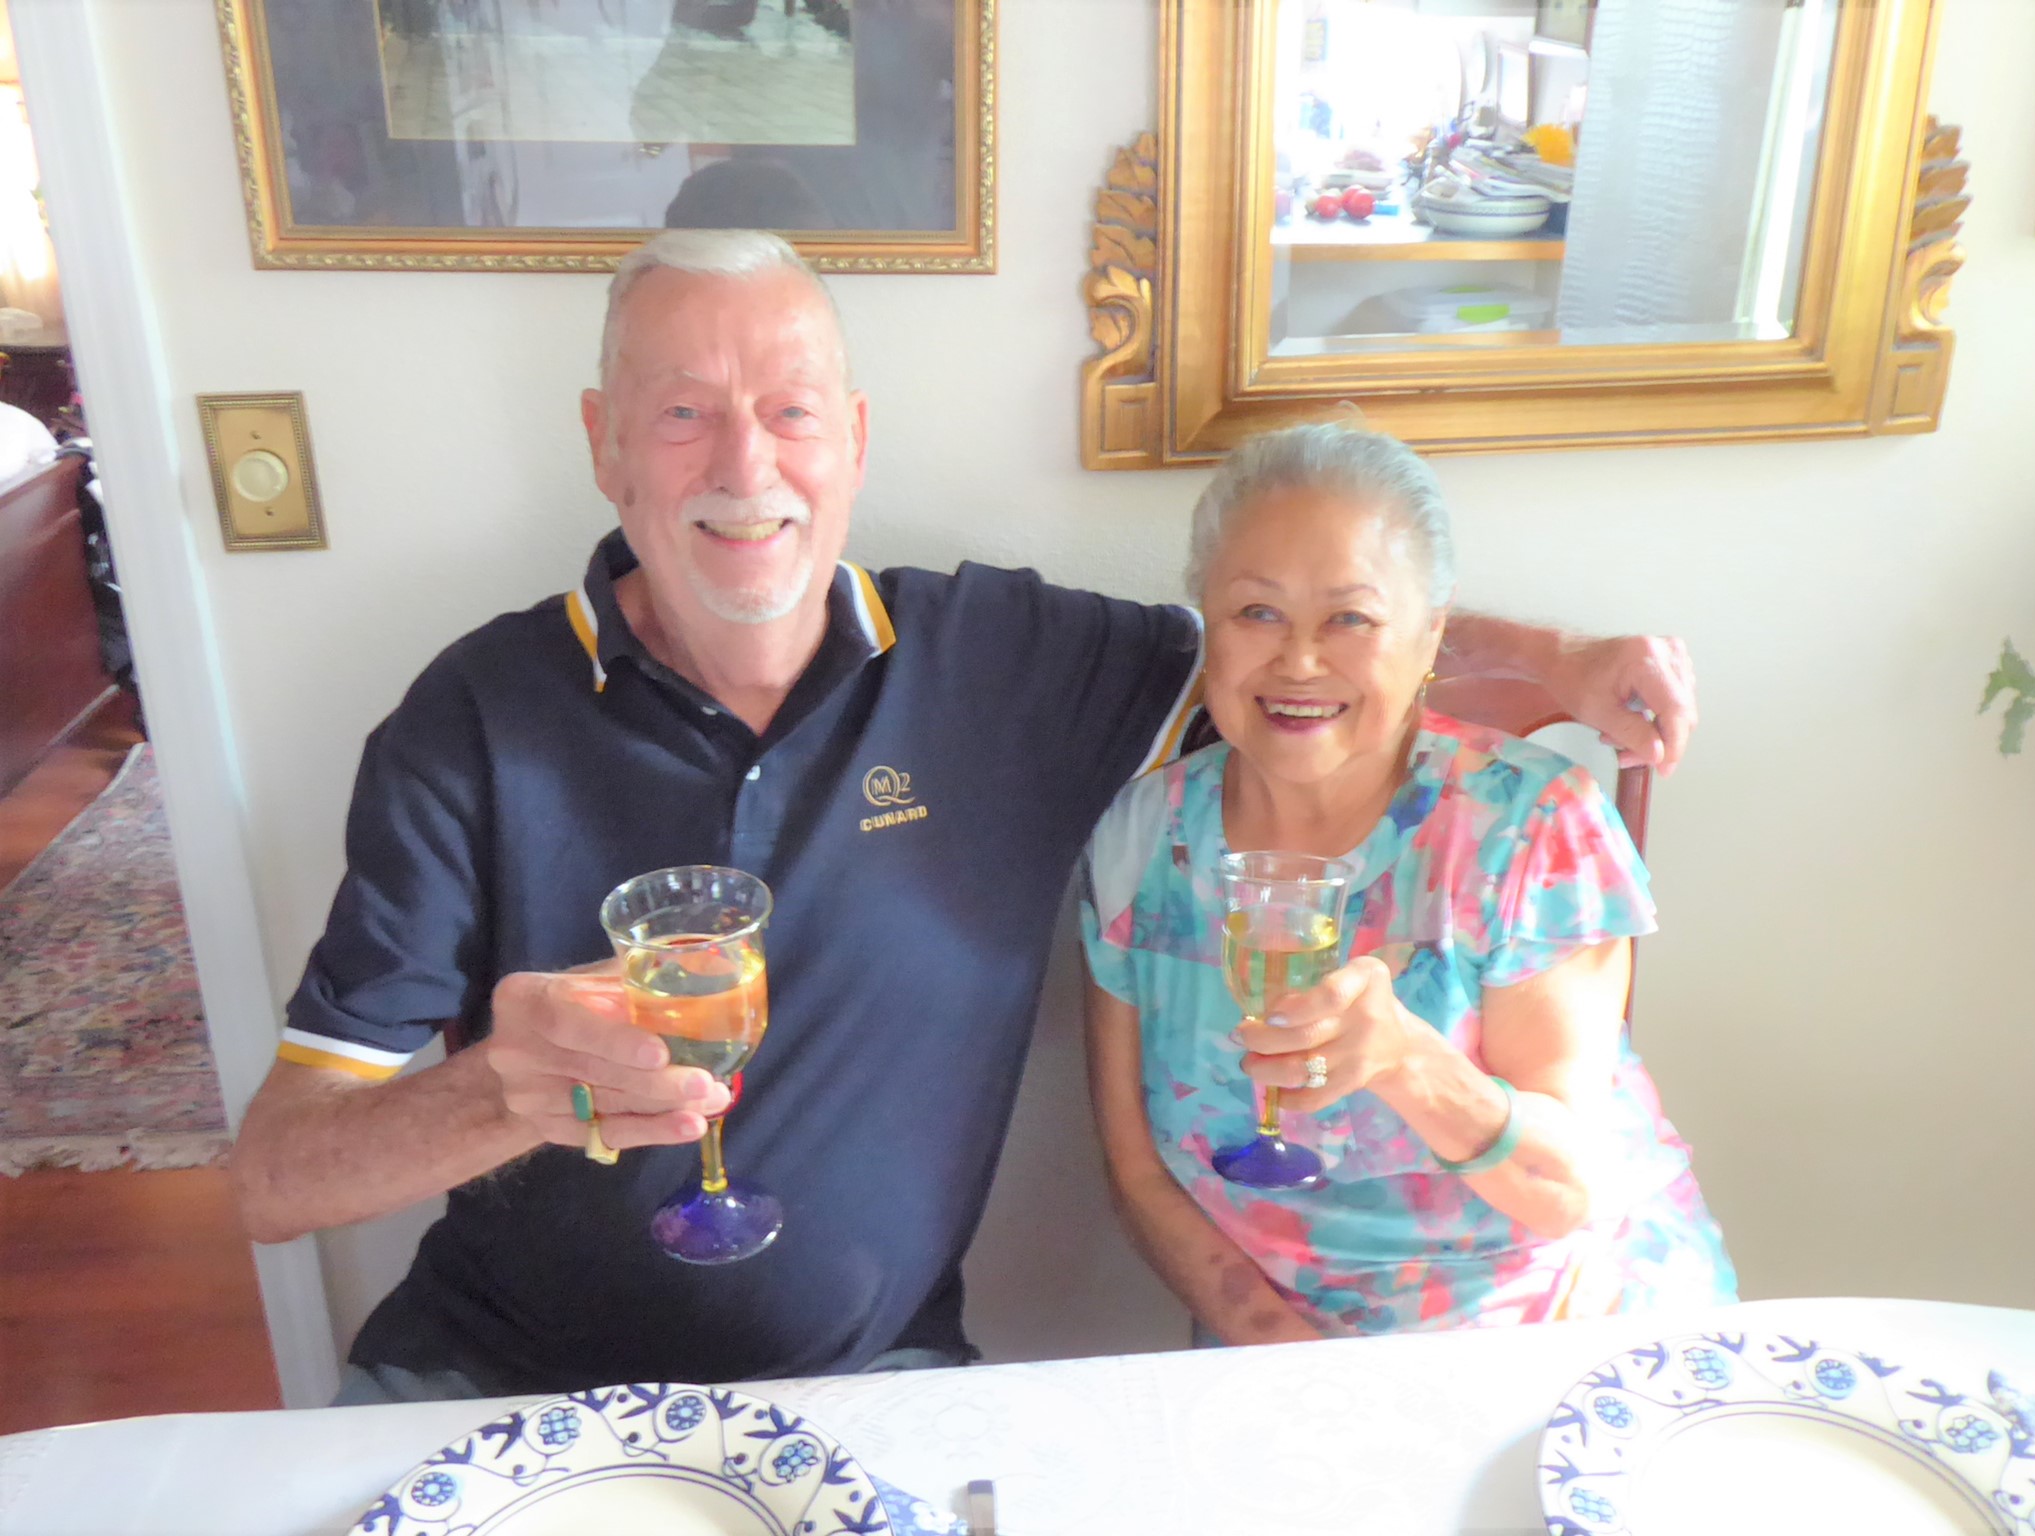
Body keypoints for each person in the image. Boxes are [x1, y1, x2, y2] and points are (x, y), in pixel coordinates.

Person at [228, 230, 1704, 1403]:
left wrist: (1563, 662)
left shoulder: (998, 665)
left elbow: (1293, 649)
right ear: (604, 442)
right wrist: (496, 1094)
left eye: (789, 412)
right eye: (682, 416)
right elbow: (274, 1180)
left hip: (871, 1390)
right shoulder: (472, 717)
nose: (745, 466)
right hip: (493, 1380)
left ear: (854, 440)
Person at [1080, 425, 1737, 1345]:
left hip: (1545, 1327)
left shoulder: (1528, 827)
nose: (1299, 661)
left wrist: (1408, 1064)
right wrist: (1287, 1361)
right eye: (1256, 613)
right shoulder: (1144, 840)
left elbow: (1568, 1191)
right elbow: (1140, 1173)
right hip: (1275, 1351)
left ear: (1431, 634)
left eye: (1351, 619)